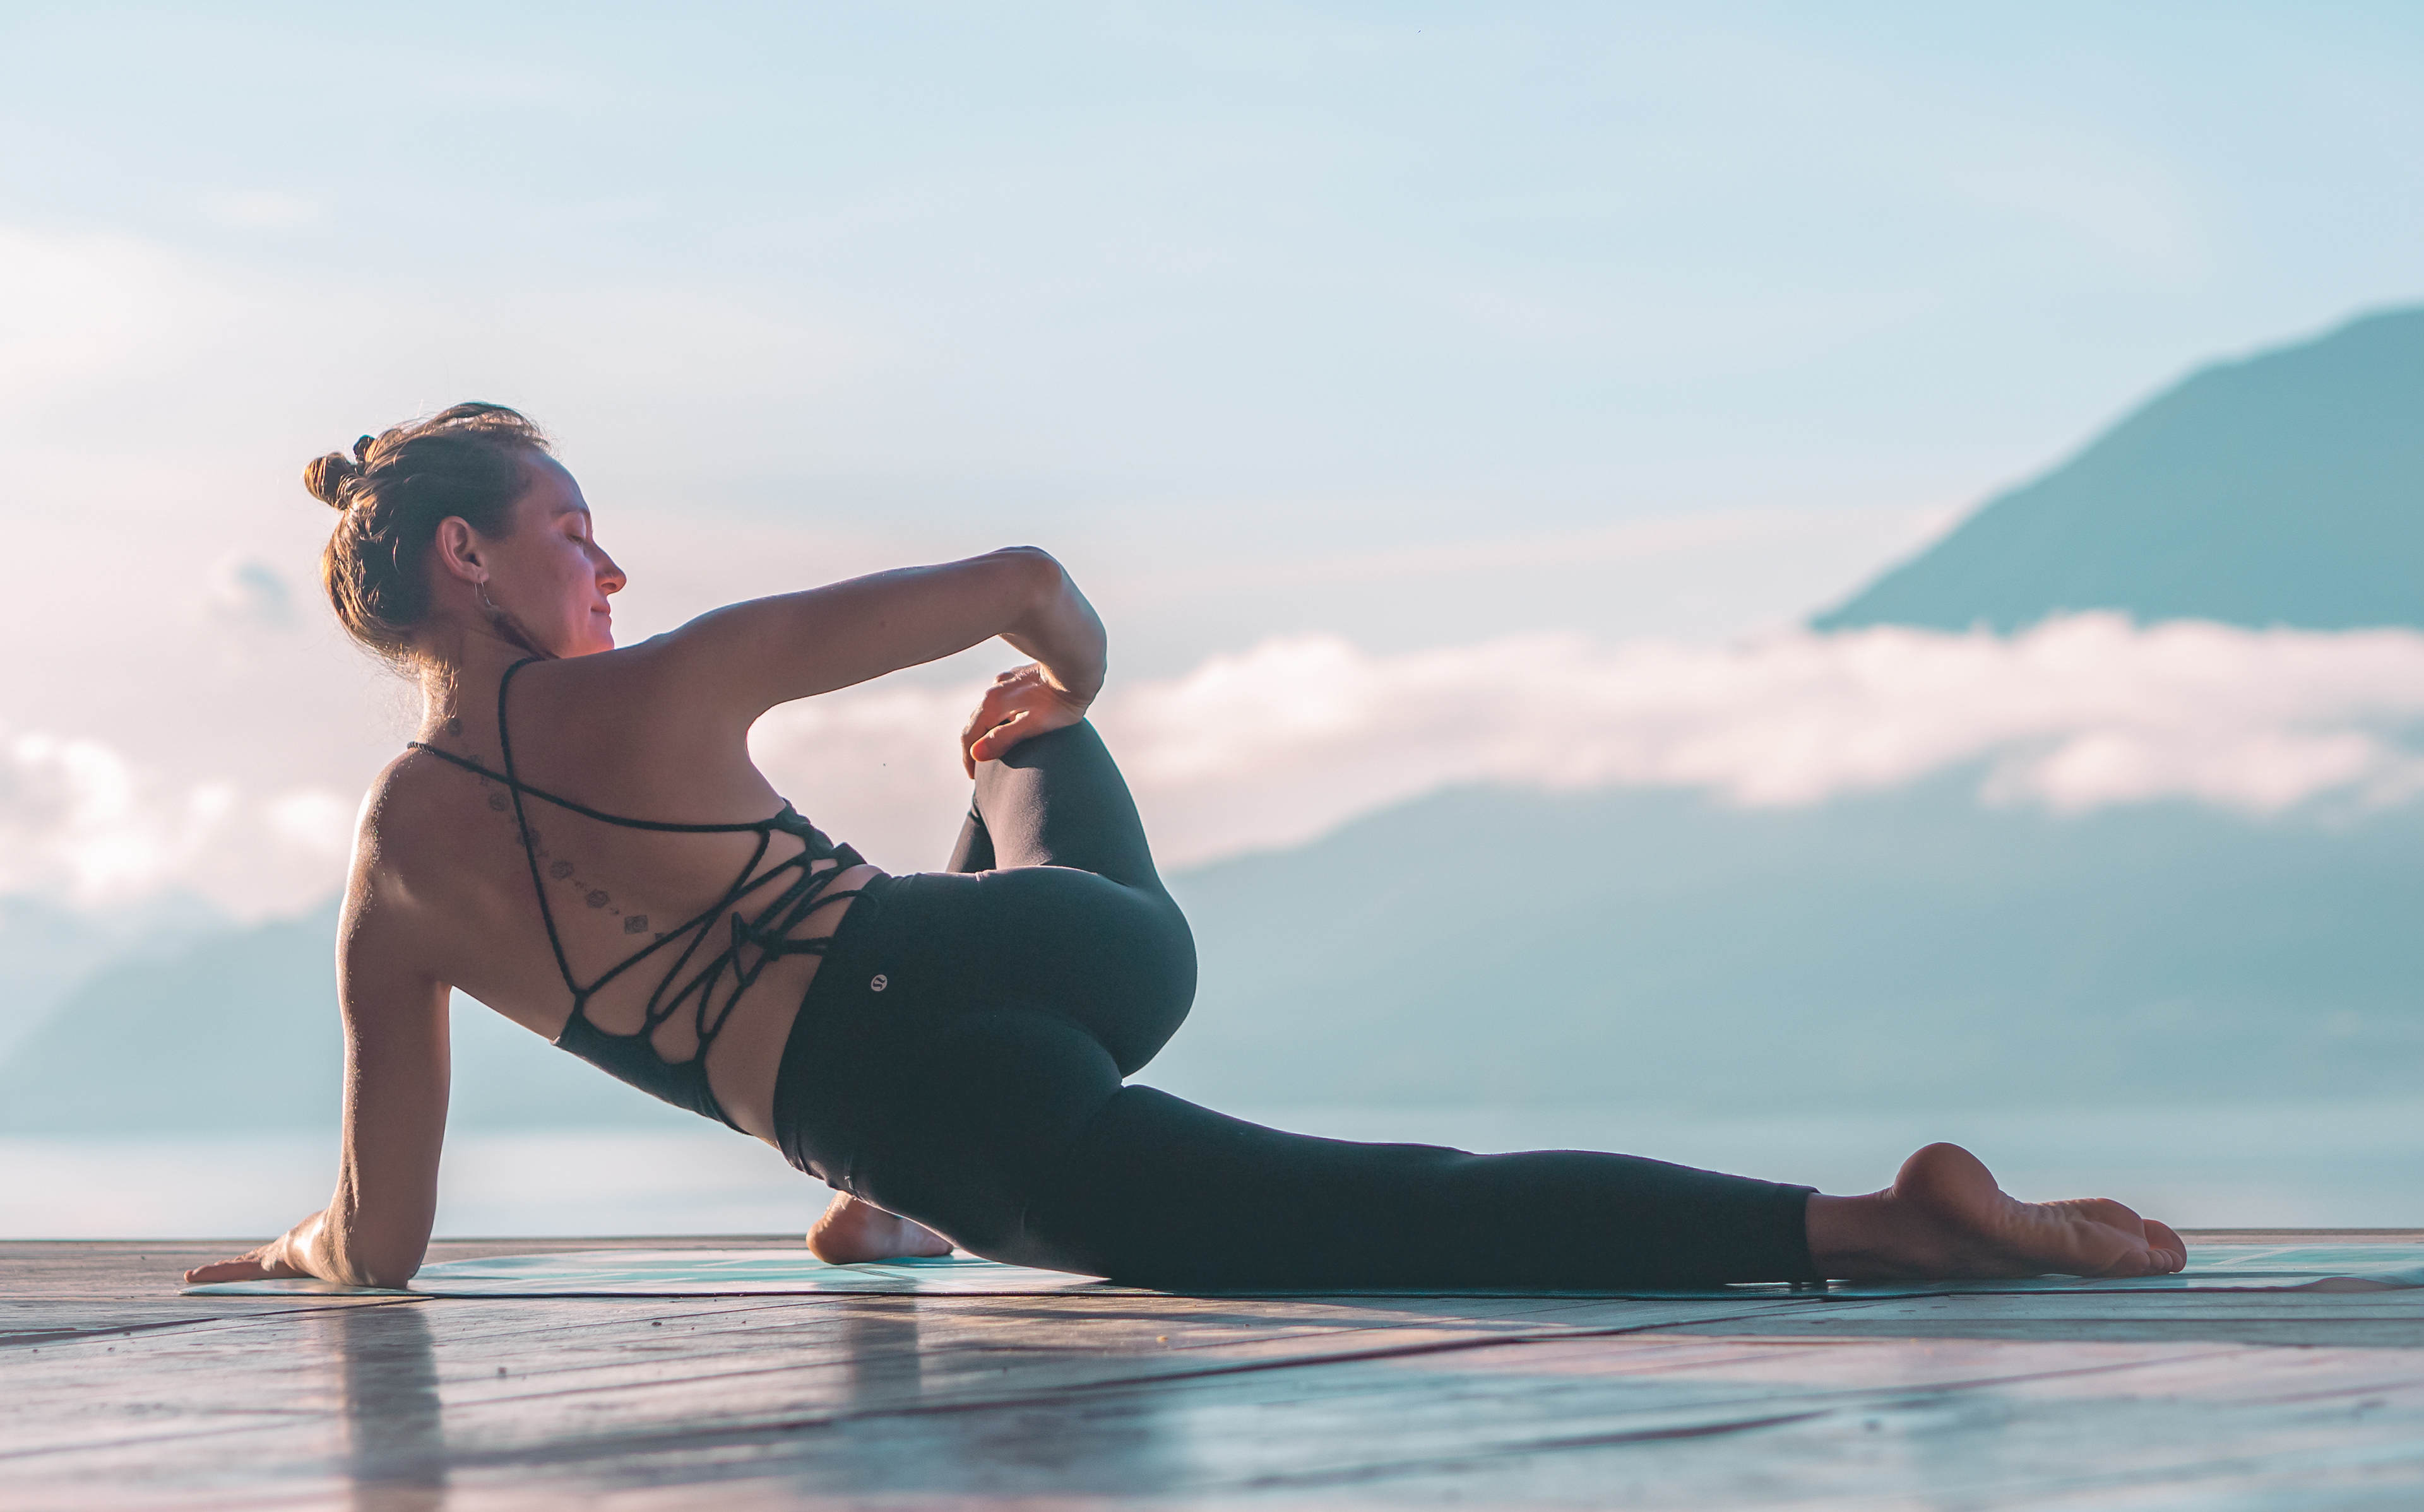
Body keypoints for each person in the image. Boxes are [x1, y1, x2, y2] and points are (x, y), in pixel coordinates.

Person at [186, 404, 2185, 1292]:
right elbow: (1028, 581)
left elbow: (383, 1242)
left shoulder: (389, 881)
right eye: (570, 527)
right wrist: (1068, 681)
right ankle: (1020, 803)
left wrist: (297, 1247)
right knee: (1032, 744)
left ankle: (1869, 1225)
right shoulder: (673, 684)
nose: (609, 561)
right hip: (1055, 955)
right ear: (466, 553)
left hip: (924, 1123)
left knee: (1387, 1214)